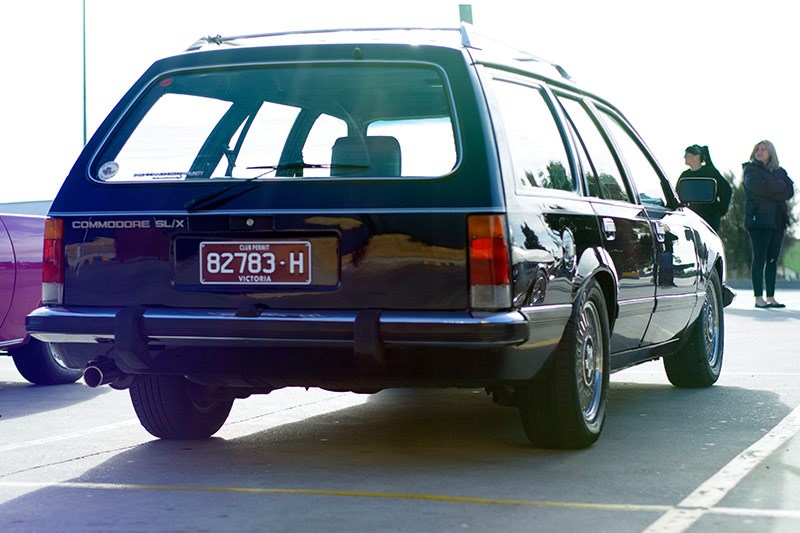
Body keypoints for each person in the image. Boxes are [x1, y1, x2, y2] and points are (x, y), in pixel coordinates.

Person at [742, 140, 794, 309]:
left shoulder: (780, 171)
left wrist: (773, 189)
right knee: (759, 259)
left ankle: (771, 296)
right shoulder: (750, 170)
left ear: (771, 152)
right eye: (757, 148)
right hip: (759, 221)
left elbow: (789, 191)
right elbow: (758, 188)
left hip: (777, 221)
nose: (760, 151)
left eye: (764, 149)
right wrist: (778, 187)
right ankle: (758, 297)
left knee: (772, 260)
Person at [677, 144, 732, 231]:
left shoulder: (710, 172)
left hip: (710, 217)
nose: (684, 157)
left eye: (687, 155)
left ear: (696, 157)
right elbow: (677, 195)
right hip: (690, 217)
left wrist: (721, 212)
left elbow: (726, 190)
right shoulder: (684, 176)